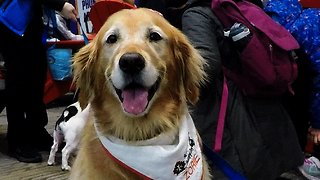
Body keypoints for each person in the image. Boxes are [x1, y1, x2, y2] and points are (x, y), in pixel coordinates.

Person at [139, 0, 305, 179]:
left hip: (232, 115)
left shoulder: (195, 14)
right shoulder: (233, 5)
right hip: (261, 105)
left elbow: (207, 67)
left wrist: (170, 74)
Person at [0, 0, 77, 163]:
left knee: (37, 76)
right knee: (19, 80)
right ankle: (17, 139)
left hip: (32, 21)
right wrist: (60, 4)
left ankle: (35, 130)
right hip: (13, 22)